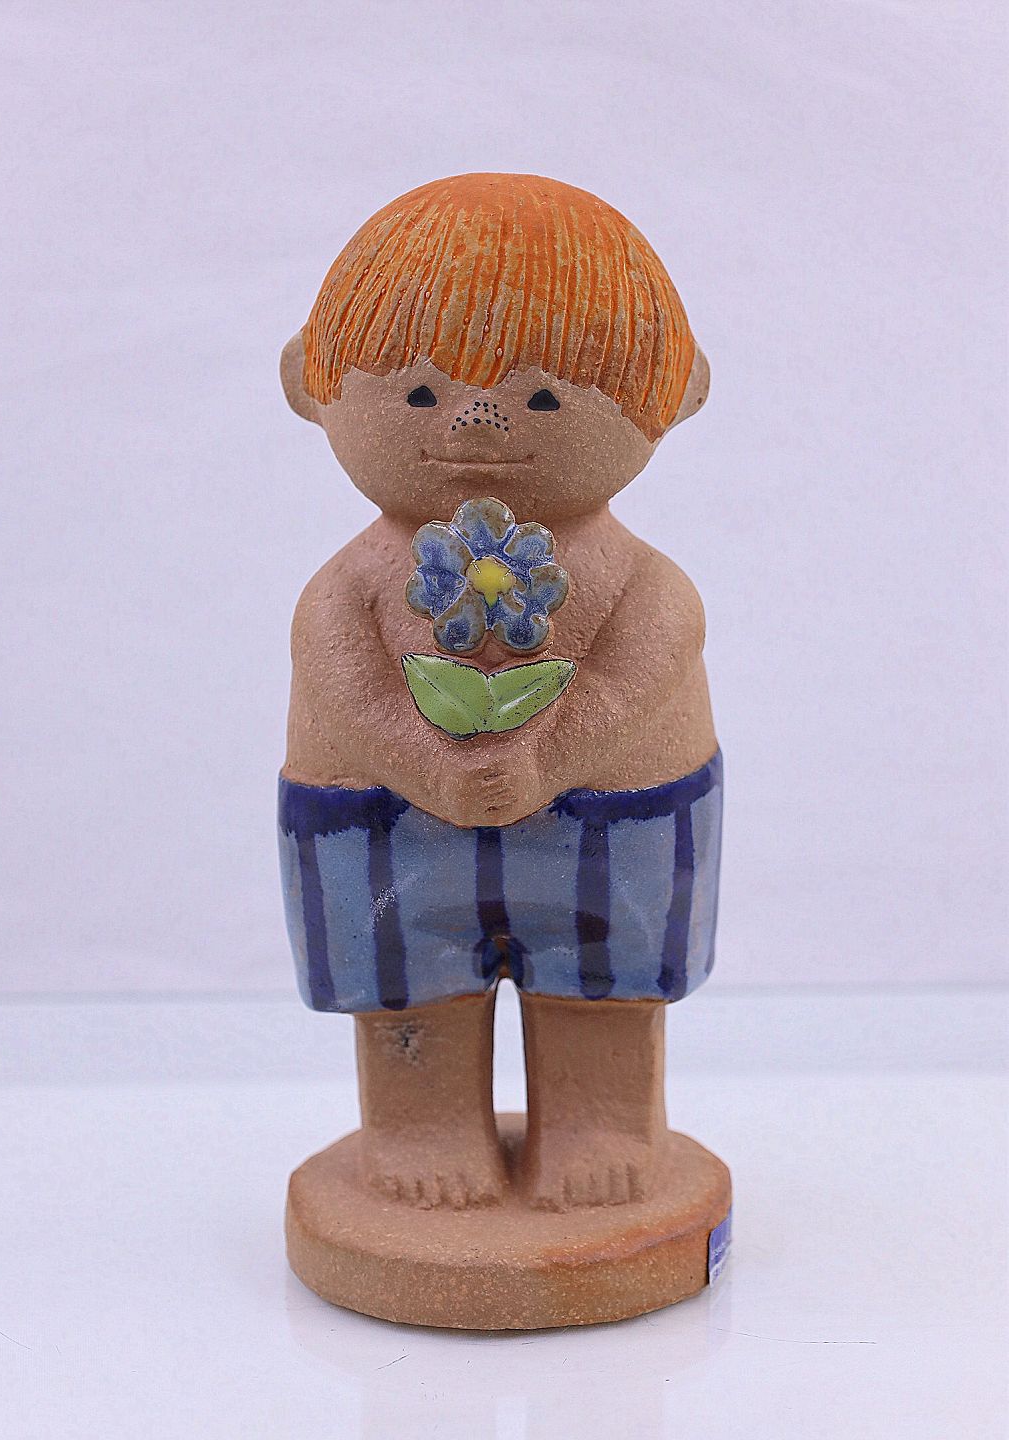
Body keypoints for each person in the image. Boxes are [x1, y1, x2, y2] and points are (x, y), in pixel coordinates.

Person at [278, 173, 720, 1212]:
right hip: (384, 811)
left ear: (678, 396)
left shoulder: (641, 581)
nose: (477, 422)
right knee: (407, 986)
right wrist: (423, 762)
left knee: (602, 983)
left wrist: (549, 757)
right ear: (307, 383)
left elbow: (644, 664)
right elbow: (341, 679)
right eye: (420, 394)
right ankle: (419, 1125)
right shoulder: (349, 586)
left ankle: (602, 1124)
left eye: (543, 398)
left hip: (612, 809)